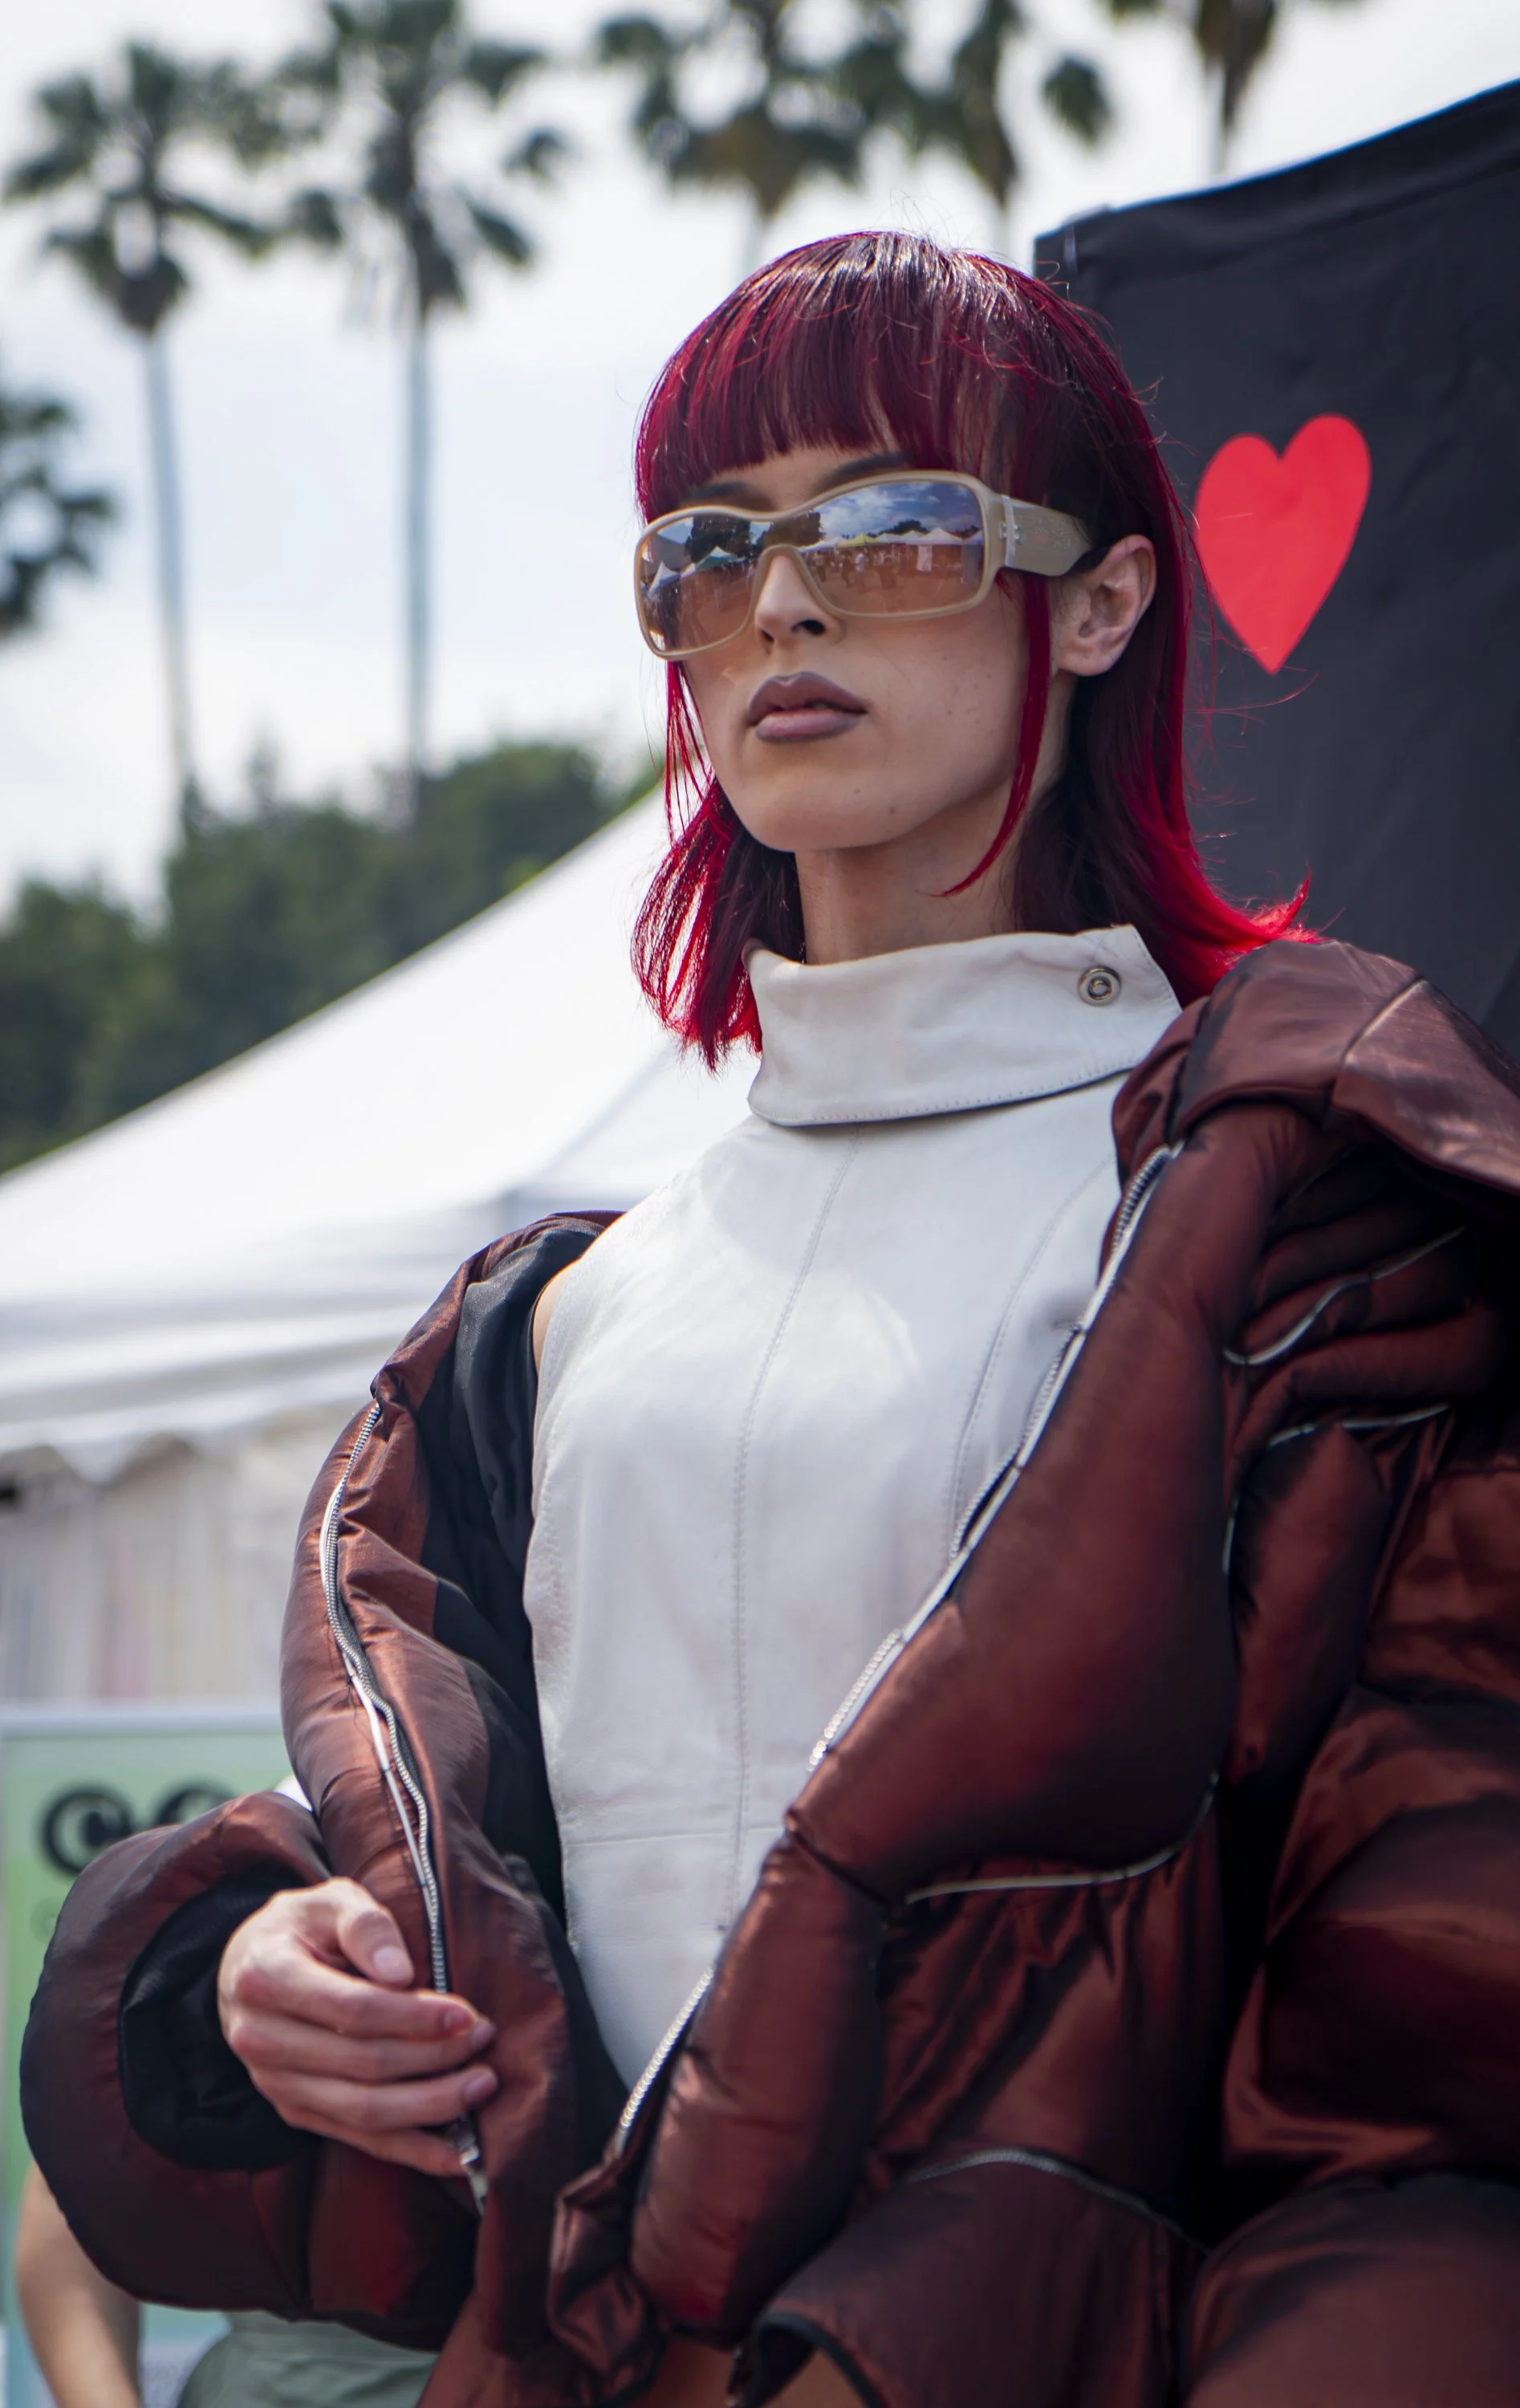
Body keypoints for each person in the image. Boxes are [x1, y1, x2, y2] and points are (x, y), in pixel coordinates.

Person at [22, 233, 1520, 2408]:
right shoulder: (554, 1325)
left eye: (898, 528)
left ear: (1100, 603)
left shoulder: (1301, 1240)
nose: (783, 606)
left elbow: (1421, 2032)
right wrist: (276, 1968)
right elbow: (489, 1866)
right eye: (704, 555)